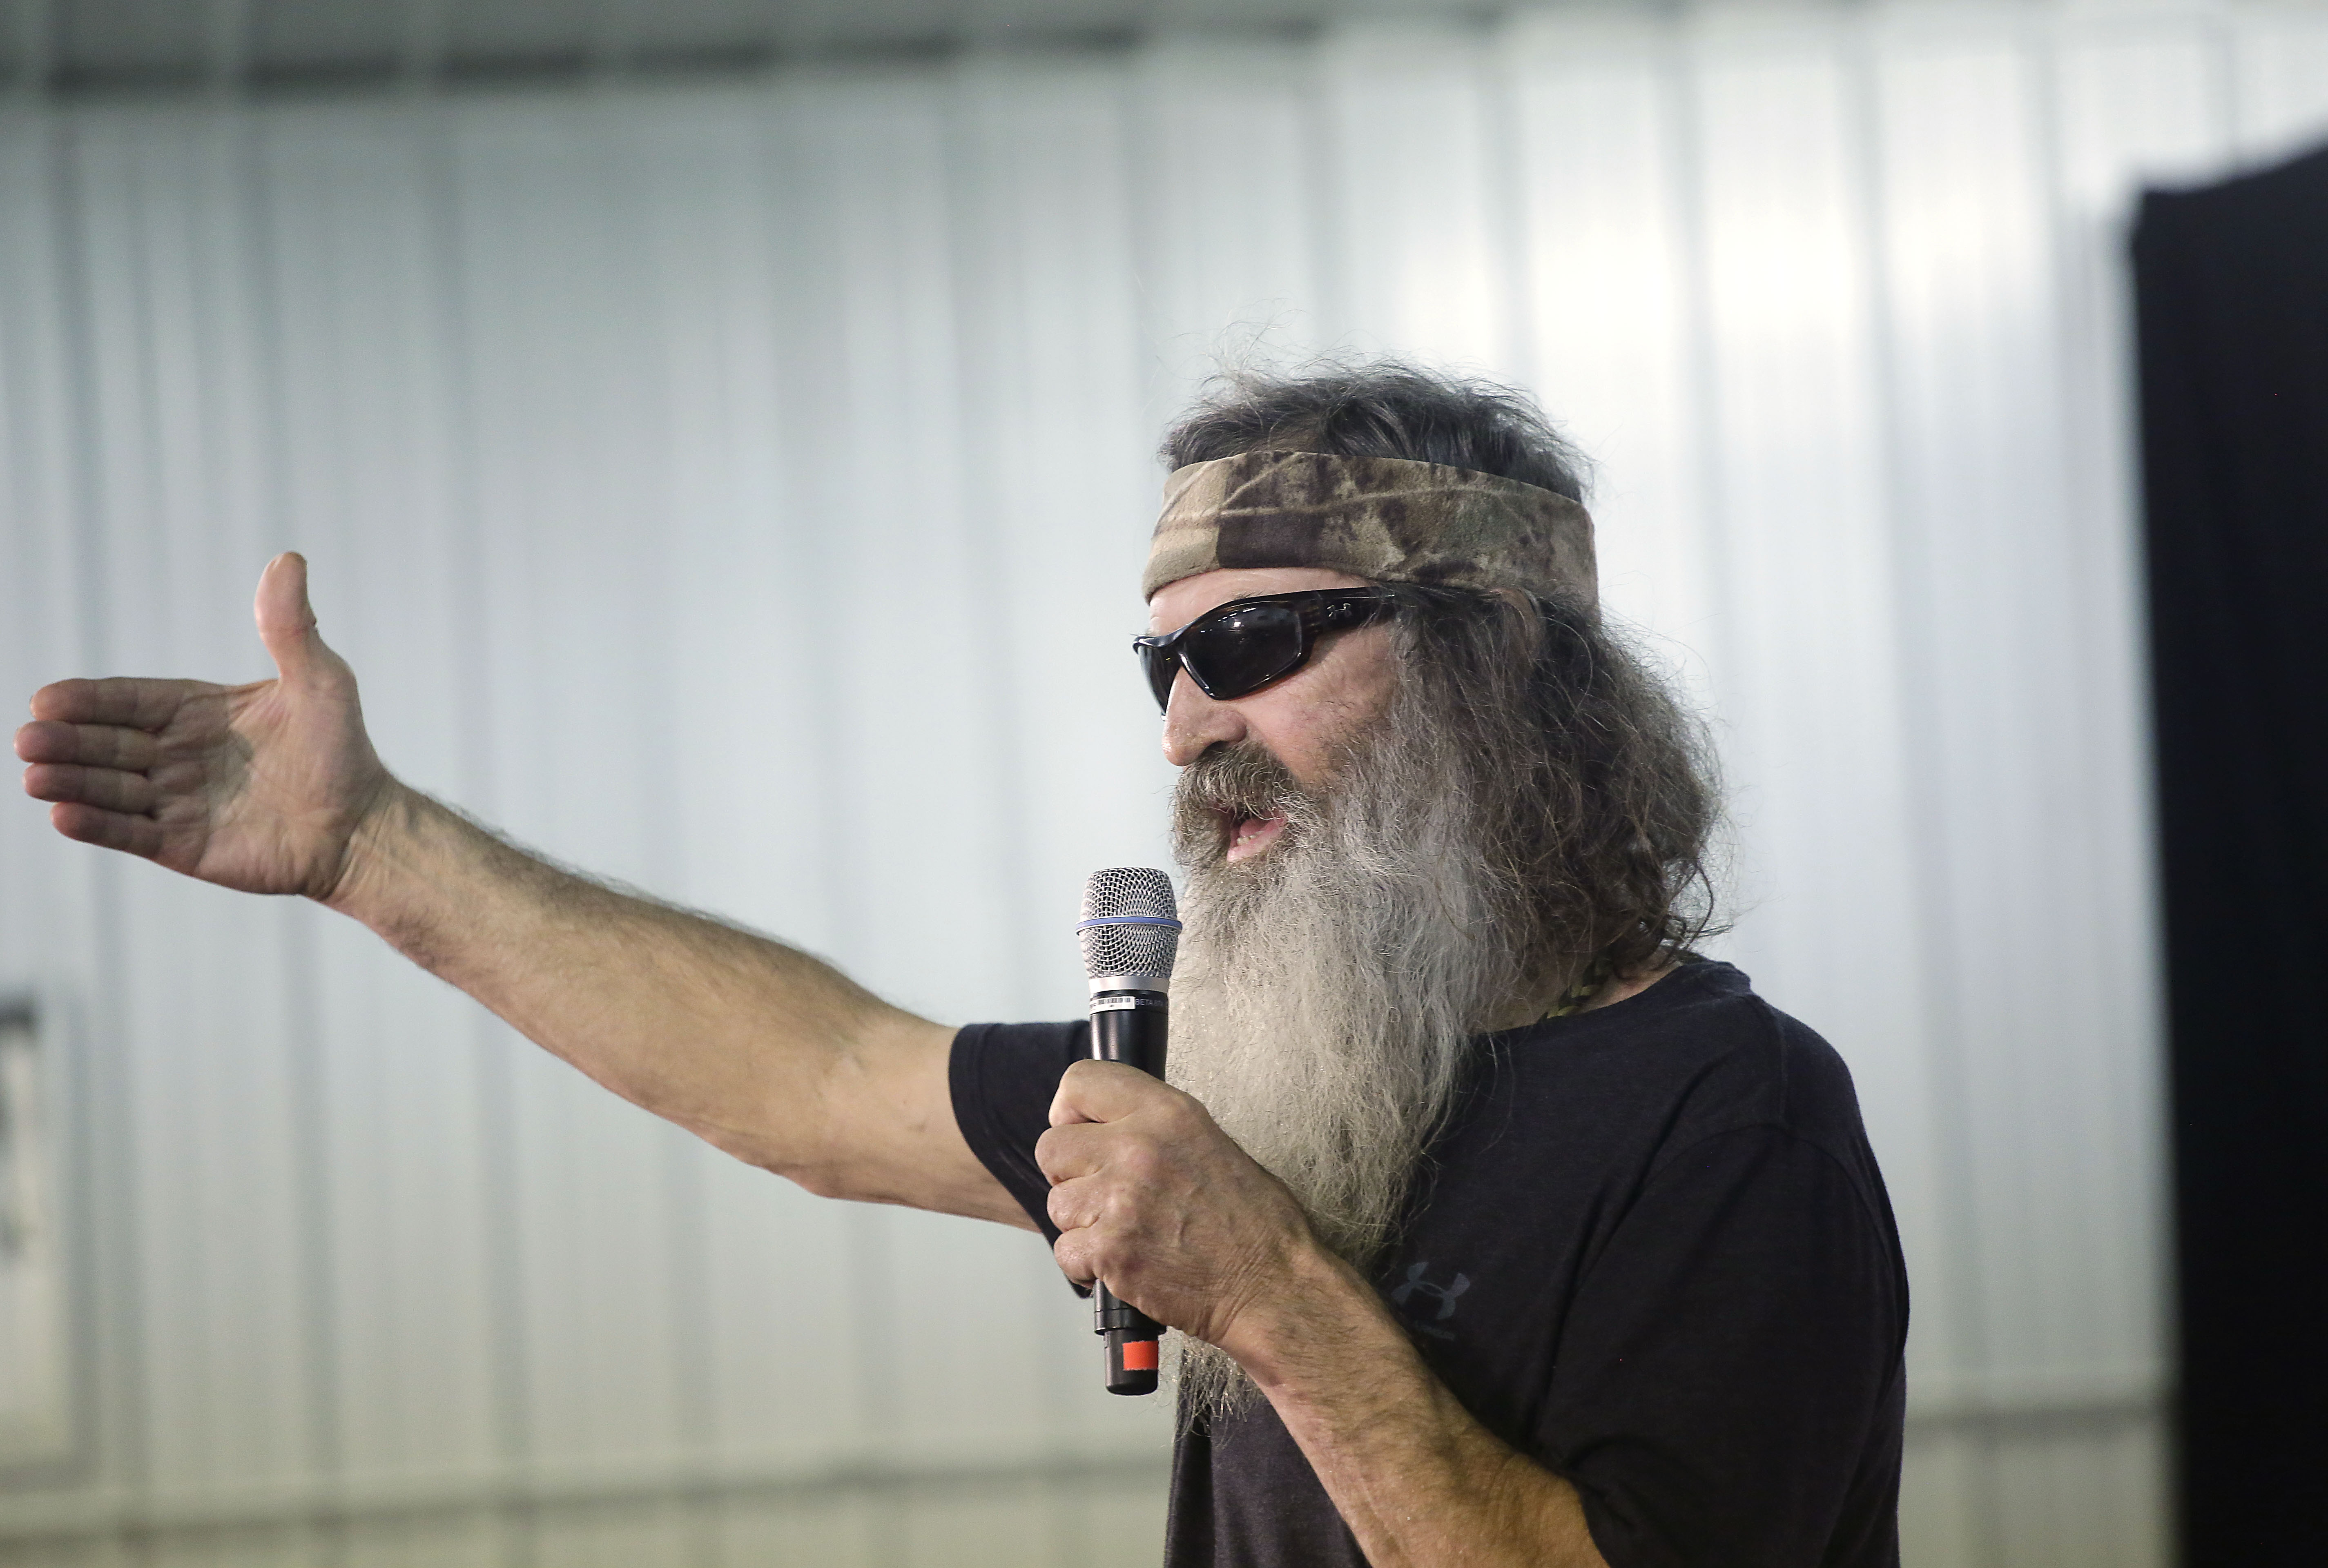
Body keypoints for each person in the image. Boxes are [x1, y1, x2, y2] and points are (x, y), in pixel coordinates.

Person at [15, 363, 1907, 1568]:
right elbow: (822, 1082)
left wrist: (1275, 1298)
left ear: (1497, 666)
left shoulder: (1735, 1120)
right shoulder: (1288, 1079)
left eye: (1248, 641)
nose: (1184, 731)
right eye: (1157, 665)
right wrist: (374, 849)